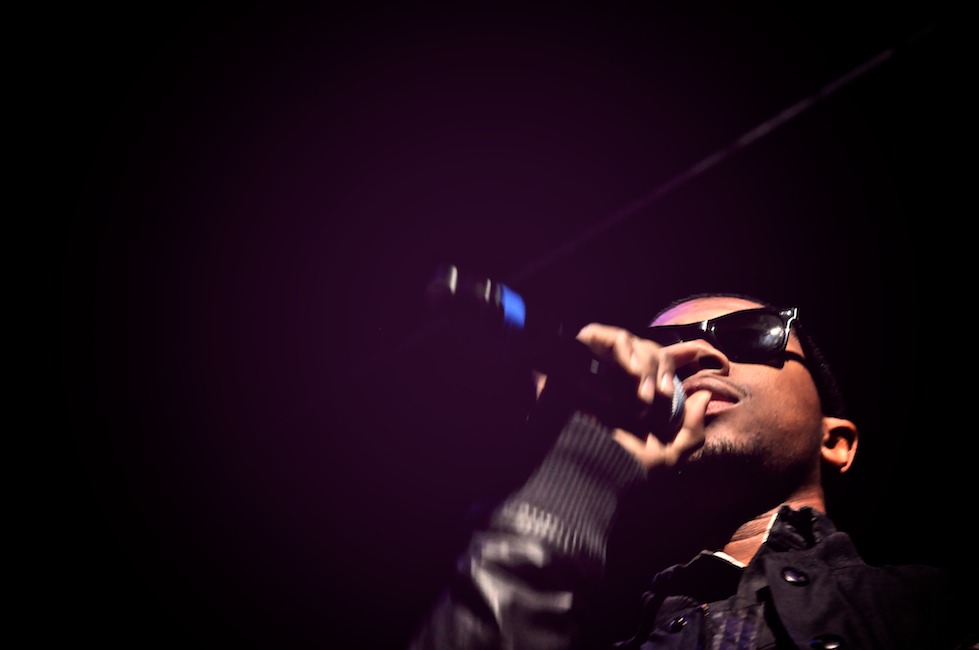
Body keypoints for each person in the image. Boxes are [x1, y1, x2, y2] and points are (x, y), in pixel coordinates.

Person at [406, 293, 978, 649]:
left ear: (836, 441)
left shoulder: (937, 607)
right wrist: (568, 481)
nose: (701, 358)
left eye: (750, 334)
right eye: (664, 346)